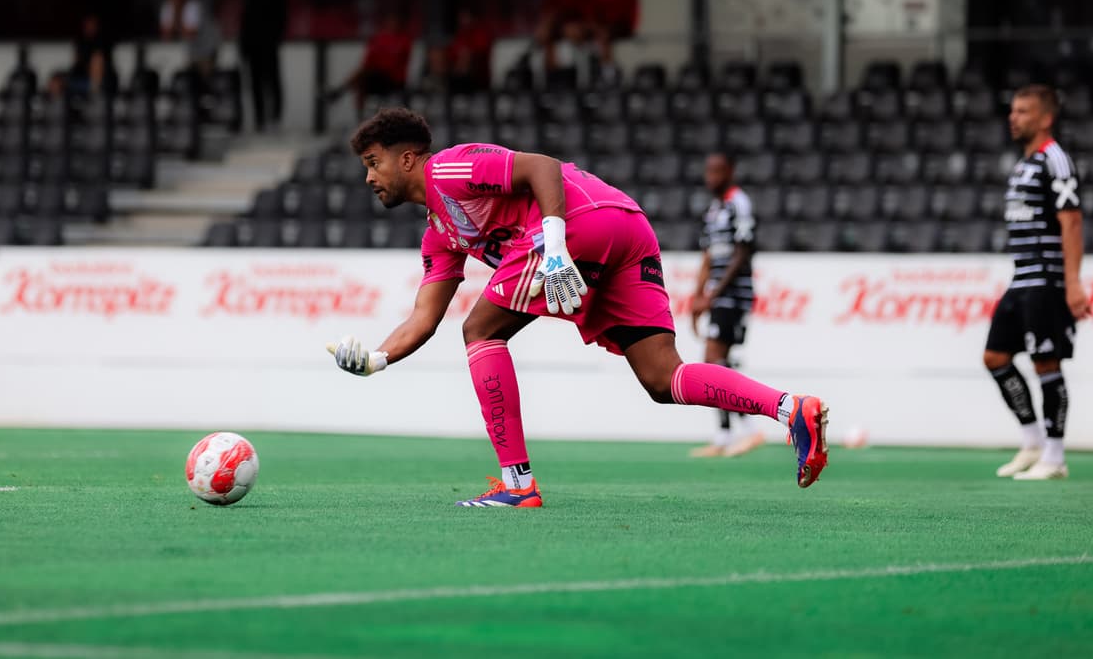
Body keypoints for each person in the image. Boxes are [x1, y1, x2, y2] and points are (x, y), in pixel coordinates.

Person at [325, 108, 829, 507]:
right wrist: (375, 360)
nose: (369, 177)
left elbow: (541, 166)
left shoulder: (449, 168)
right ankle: (791, 409)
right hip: (628, 228)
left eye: (373, 162)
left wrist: (554, 243)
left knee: (481, 331)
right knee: (662, 378)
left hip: (580, 222)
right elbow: (423, 317)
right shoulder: (440, 234)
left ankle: (517, 485)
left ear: (407, 159)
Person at [986, 84, 1088, 481]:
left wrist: (1072, 283)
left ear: (1046, 118)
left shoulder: (1054, 160)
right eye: (1013, 110)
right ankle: (1032, 443)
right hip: (1022, 279)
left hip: (1046, 279)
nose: (1014, 118)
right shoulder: (1023, 165)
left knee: (1046, 363)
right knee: (995, 357)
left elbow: (1072, 221)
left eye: (1023, 111)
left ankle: (1055, 456)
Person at [689, 153, 764, 458]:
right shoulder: (713, 210)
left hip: (734, 294)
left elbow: (743, 252)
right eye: (709, 171)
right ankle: (726, 434)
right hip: (718, 295)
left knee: (714, 360)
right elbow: (708, 257)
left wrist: (714, 293)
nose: (712, 177)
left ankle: (746, 430)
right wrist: (698, 296)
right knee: (717, 363)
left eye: (718, 171)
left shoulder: (739, 203)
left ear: (730, 172)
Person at [239, 0, 288, 132]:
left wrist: (274, 39)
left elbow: (281, 19)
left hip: (269, 46)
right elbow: (245, 23)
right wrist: (244, 47)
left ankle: (275, 118)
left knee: (272, 82)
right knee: (256, 84)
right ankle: (259, 120)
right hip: (253, 47)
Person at [343, 14, 413, 115]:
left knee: (363, 76)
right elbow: (368, 60)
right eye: (391, 21)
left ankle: (341, 89)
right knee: (362, 81)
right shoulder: (380, 38)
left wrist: (378, 64)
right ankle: (360, 117)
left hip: (393, 80)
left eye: (395, 21)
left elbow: (393, 64)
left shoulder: (404, 40)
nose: (393, 24)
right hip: (376, 77)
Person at [590, 0, 639, 77]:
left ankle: (608, 74)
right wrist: (595, 24)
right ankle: (601, 68)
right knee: (585, 32)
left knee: (603, 35)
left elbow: (633, 6)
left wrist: (632, 26)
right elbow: (593, 8)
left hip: (621, 24)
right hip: (602, 25)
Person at [445, 8, 493, 93]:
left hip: (478, 78)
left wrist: (467, 57)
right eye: (461, 17)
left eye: (465, 17)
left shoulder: (481, 34)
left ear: (473, 18)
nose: (463, 20)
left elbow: (480, 54)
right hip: (458, 77)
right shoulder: (459, 35)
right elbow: (451, 56)